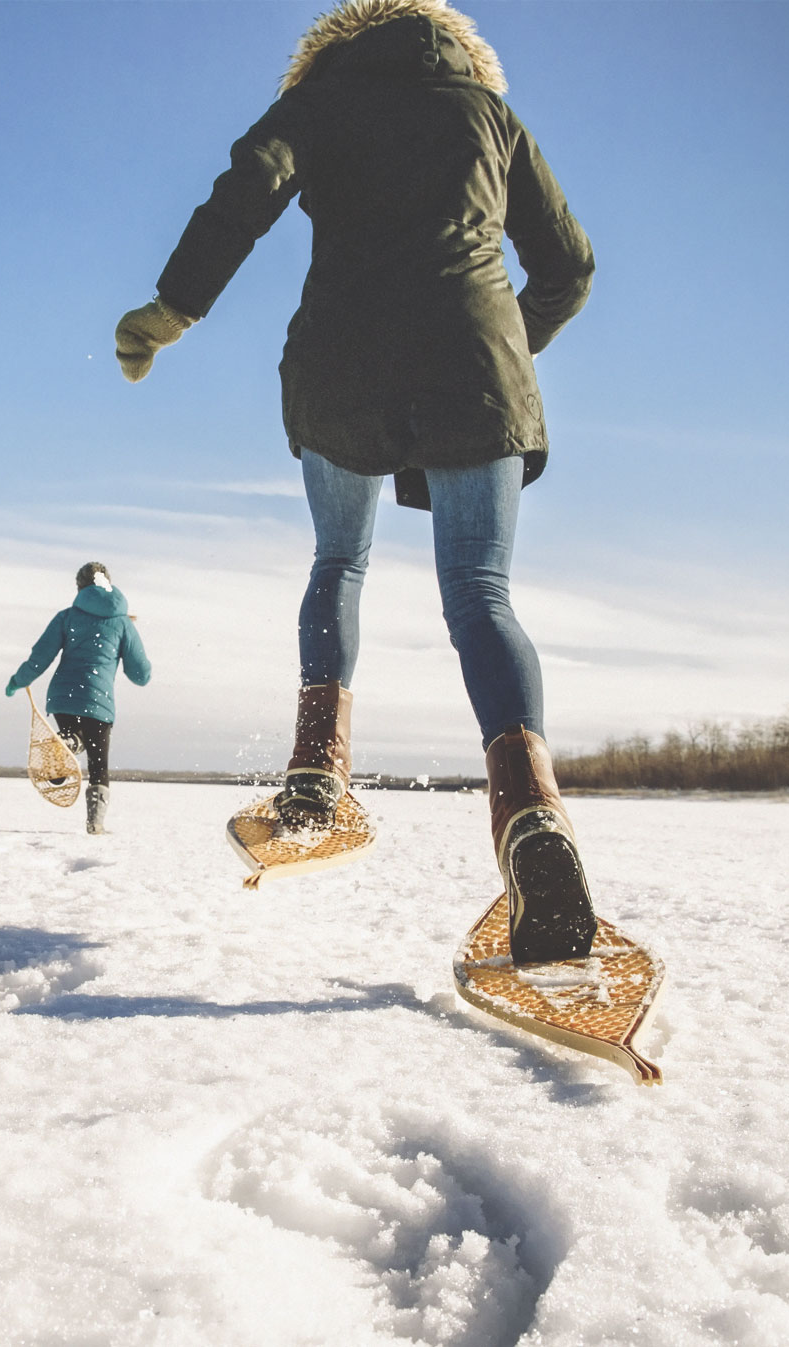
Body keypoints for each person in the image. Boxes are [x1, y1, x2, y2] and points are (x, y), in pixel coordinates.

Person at [113, 0, 597, 963]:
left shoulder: (319, 103)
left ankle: (314, 778)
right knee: (482, 594)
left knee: (339, 561)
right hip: (477, 366)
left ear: (333, 46)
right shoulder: (490, 117)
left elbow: (246, 189)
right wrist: (505, 345)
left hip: (342, 366)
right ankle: (533, 817)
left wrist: (173, 309)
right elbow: (570, 265)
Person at [5, 562, 152, 834]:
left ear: (79, 587)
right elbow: (140, 674)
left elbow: (40, 657)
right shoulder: (122, 623)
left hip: (63, 696)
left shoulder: (67, 617)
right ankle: (95, 823)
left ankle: (69, 742)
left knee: (73, 737)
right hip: (99, 700)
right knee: (98, 763)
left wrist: (19, 680)